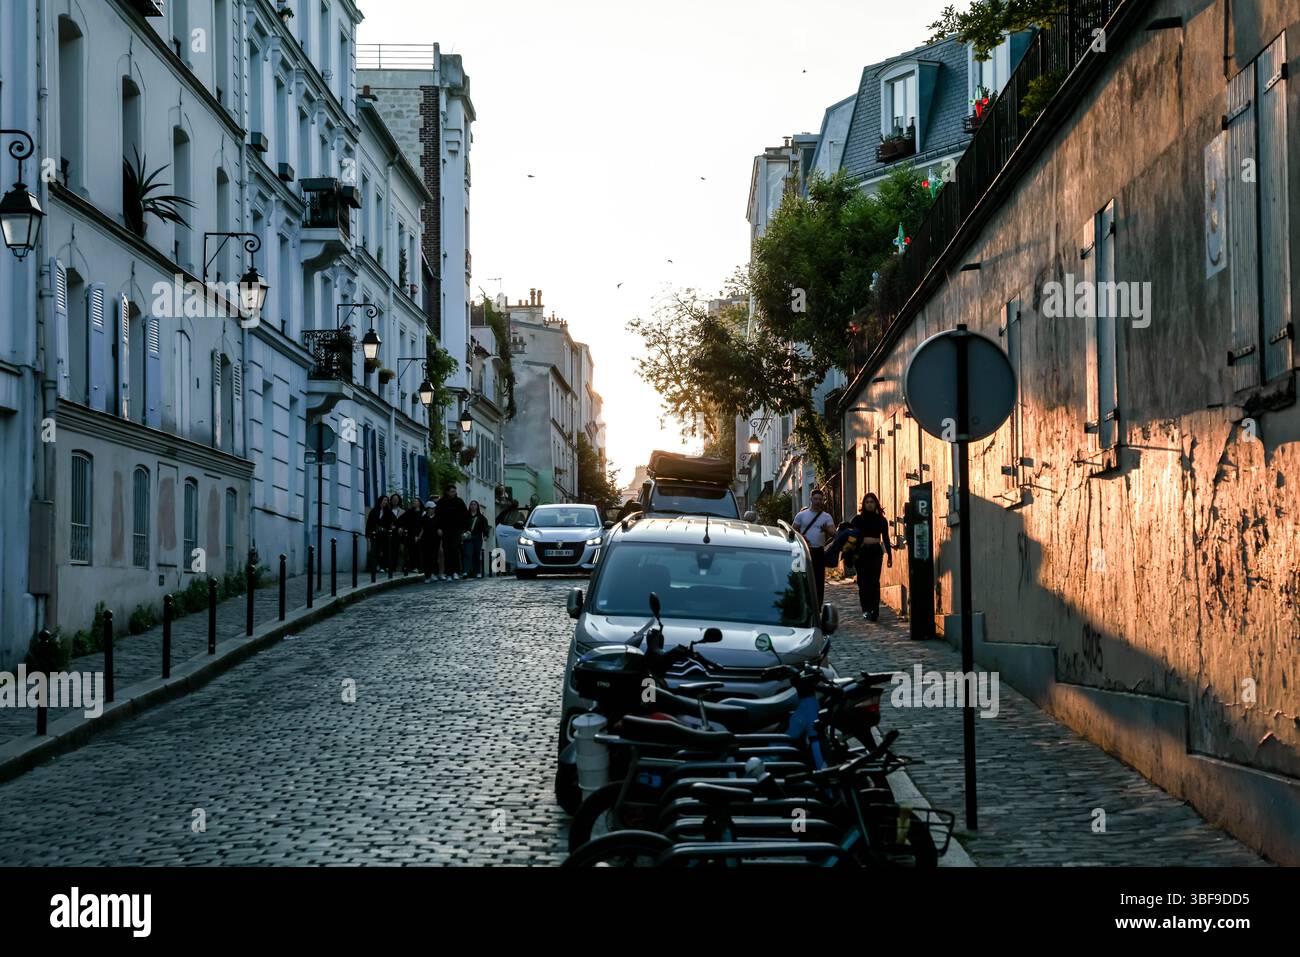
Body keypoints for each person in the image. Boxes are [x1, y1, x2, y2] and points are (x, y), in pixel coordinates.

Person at [851, 493, 892, 621]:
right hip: (861, 553)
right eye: (867, 502)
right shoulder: (857, 519)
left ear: (876, 504)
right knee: (863, 583)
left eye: (872, 502)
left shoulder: (881, 520)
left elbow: (885, 538)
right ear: (863, 504)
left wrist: (890, 556)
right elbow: (851, 538)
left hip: (875, 552)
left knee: (874, 582)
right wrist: (849, 555)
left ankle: (875, 610)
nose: (869, 504)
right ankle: (866, 609)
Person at [793, 489, 837, 605]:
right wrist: (802, 537)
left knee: (818, 580)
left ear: (823, 501)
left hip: (818, 551)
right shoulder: (801, 515)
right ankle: (804, 603)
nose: (818, 501)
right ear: (811, 499)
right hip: (804, 551)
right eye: (816, 499)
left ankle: (818, 605)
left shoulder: (826, 517)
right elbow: (793, 531)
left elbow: (834, 533)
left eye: (820, 499)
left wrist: (826, 529)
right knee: (804, 578)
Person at [434, 484, 470, 580]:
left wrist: (465, 530)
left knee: (455, 550)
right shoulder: (441, 502)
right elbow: (437, 516)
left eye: (454, 491)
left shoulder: (459, 502)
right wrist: (438, 528)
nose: (454, 493)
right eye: (452, 491)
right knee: (447, 551)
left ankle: (456, 572)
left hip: (456, 530)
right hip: (445, 530)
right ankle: (448, 573)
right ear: (447, 492)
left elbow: (465, 516)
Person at [462, 500, 490, 579]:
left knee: (476, 555)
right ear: (469, 506)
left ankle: (477, 571)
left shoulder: (481, 518)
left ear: (477, 506)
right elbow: (462, 526)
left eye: (474, 504)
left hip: (477, 538)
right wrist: (464, 532)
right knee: (467, 554)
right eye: (471, 504)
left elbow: (485, 527)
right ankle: (465, 571)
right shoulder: (466, 516)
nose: (473, 506)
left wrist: (485, 535)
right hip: (468, 538)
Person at [396, 495, 423, 573]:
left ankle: (420, 567)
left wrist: (419, 535)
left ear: (419, 503)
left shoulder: (423, 512)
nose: (414, 503)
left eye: (415, 501)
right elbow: (401, 520)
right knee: (412, 551)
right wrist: (401, 527)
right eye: (413, 502)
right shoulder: (409, 512)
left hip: (420, 533)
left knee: (419, 551)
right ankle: (413, 566)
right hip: (411, 534)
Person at [419, 500, 440, 582]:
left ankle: (434, 573)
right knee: (426, 558)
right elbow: (422, 529)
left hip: (435, 540)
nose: (432, 510)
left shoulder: (437, 518)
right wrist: (419, 537)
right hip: (426, 541)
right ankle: (428, 575)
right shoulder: (424, 518)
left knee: (434, 557)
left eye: (433, 508)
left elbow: (439, 527)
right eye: (431, 508)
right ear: (427, 509)